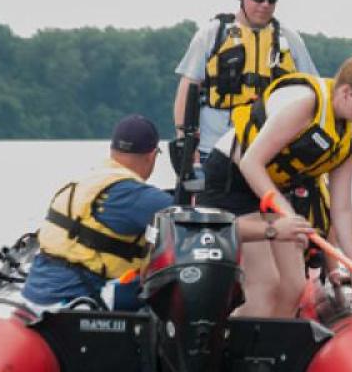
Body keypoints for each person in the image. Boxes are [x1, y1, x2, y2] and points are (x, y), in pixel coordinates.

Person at [23, 114, 312, 309]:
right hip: (78, 294)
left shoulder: (90, 181)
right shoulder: (138, 197)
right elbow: (202, 228)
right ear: (152, 156)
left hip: (39, 287)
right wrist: (273, 230)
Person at [197, 54, 352, 317]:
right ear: (346, 91)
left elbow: (342, 209)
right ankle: (237, 346)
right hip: (233, 178)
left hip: (270, 188)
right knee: (266, 284)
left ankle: (271, 350)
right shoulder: (304, 105)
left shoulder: (349, 137)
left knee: (294, 285)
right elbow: (251, 162)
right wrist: (288, 217)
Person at [172, 0, 318, 162]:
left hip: (268, 152)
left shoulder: (290, 39)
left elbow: (313, 91)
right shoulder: (213, 34)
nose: (265, 4)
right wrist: (183, 140)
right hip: (212, 150)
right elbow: (188, 86)